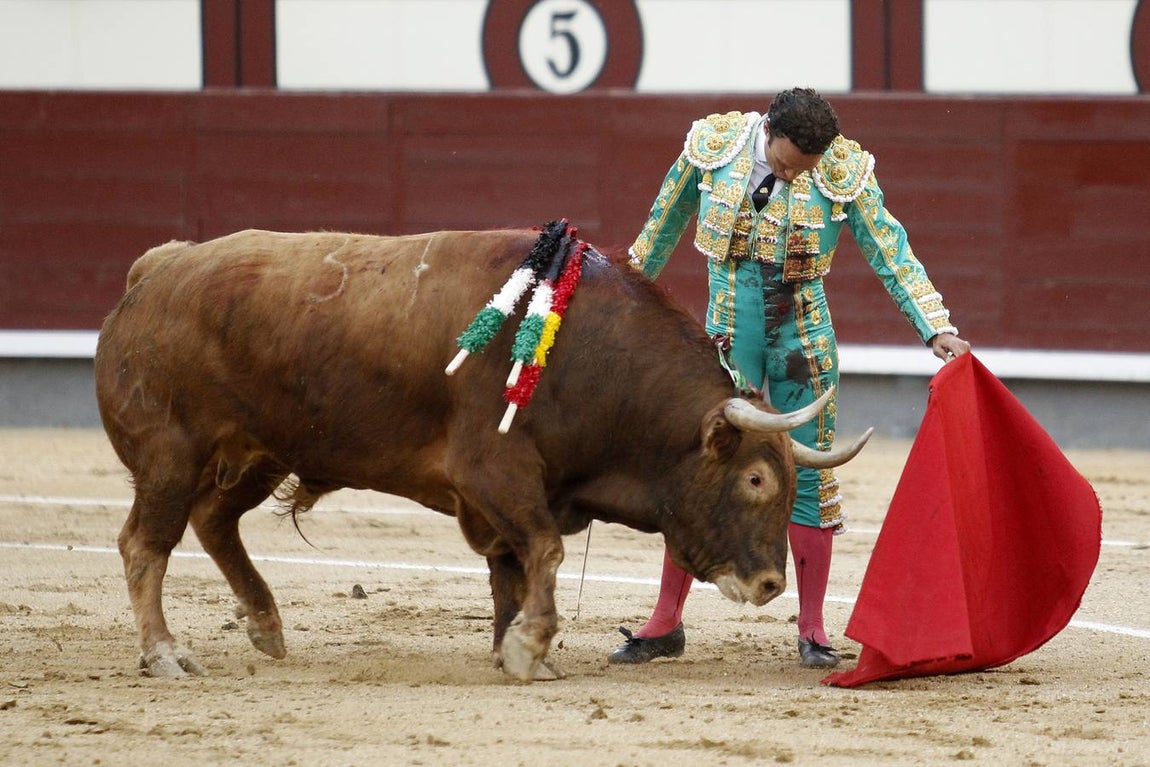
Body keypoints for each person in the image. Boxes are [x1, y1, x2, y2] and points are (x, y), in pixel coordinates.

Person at [613, 87, 972, 669]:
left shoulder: (839, 169)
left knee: (811, 472)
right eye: (786, 162)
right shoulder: (712, 147)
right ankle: (664, 623)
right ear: (770, 130)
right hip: (726, 339)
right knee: (698, 469)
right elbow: (658, 232)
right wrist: (616, 307)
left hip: (802, 341)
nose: (794, 174)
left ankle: (812, 631)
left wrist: (935, 326)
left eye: (805, 168)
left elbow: (890, 248)